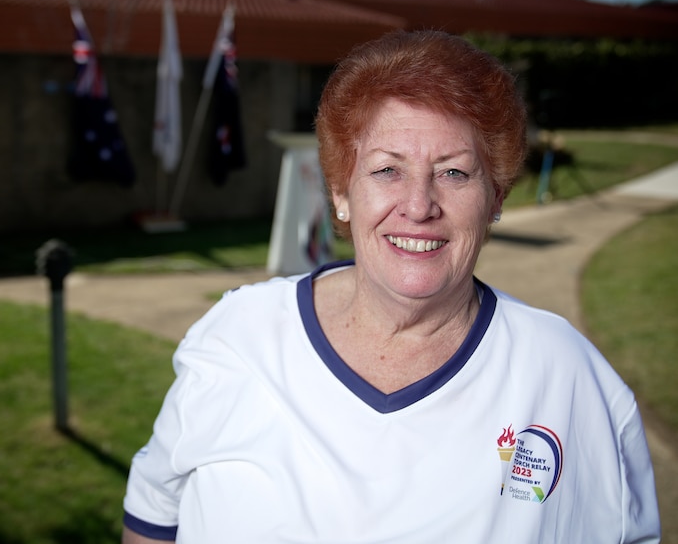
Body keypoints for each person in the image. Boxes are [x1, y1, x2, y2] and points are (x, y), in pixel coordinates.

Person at [121, 30, 661, 543]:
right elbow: (153, 514)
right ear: (340, 192)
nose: (419, 205)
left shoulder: (567, 376)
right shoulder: (237, 337)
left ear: (495, 198)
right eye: (387, 170)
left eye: (454, 172)